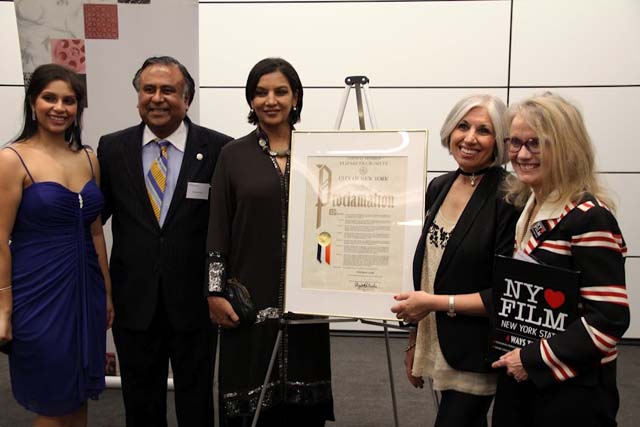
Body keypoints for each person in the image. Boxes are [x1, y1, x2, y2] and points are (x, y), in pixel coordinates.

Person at [97, 56, 232, 427]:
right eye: (149, 89)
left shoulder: (220, 149)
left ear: (186, 99)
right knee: (140, 406)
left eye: (168, 90)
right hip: (134, 301)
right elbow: (94, 224)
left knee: (196, 404)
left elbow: (228, 228)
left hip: (195, 304)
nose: (158, 98)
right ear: (138, 96)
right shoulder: (111, 149)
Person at [206, 57, 334, 426]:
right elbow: (218, 227)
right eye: (260, 93)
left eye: (280, 91)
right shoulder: (233, 155)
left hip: (309, 294)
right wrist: (215, 292)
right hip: (247, 298)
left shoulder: (321, 151)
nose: (270, 100)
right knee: (249, 408)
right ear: (250, 100)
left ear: (296, 98)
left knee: (303, 408)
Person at [489, 93, 630, 426]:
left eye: (536, 144)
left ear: (566, 146)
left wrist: (532, 359)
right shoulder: (528, 207)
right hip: (525, 376)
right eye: (515, 142)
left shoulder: (589, 217)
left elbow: (608, 320)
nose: (522, 155)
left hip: (570, 391)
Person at [390, 94, 520, 427]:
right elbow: (430, 270)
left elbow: (504, 294)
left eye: (484, 130)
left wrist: (431, 303)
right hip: (438, 340)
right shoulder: (440, 186)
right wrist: (414, 343)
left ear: (500, 141)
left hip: (477, 349)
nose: (470, 138)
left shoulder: (509, 196)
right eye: (463, 126)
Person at [0, 63, 113, 427]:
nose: (59, 107)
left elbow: (96, 232)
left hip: (86, 291)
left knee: (77, 396)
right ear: (33, 102)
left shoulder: (89, 158)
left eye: (69, 100)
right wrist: (4, 306)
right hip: (37, 293)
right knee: (53, 401)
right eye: (50, 98)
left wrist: (106, 295)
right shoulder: (11, 159)